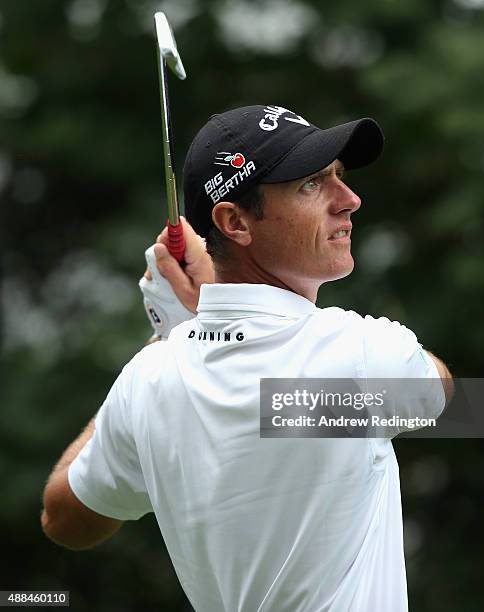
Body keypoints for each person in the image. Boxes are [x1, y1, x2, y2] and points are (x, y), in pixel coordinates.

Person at [41, 105, 453, 611]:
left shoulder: (148, 380)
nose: (349, 200)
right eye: (311, 184)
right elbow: (441, 392)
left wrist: (170, 334)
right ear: (234, 221)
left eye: (339, 177)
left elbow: (64, 520)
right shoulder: (359, 354)